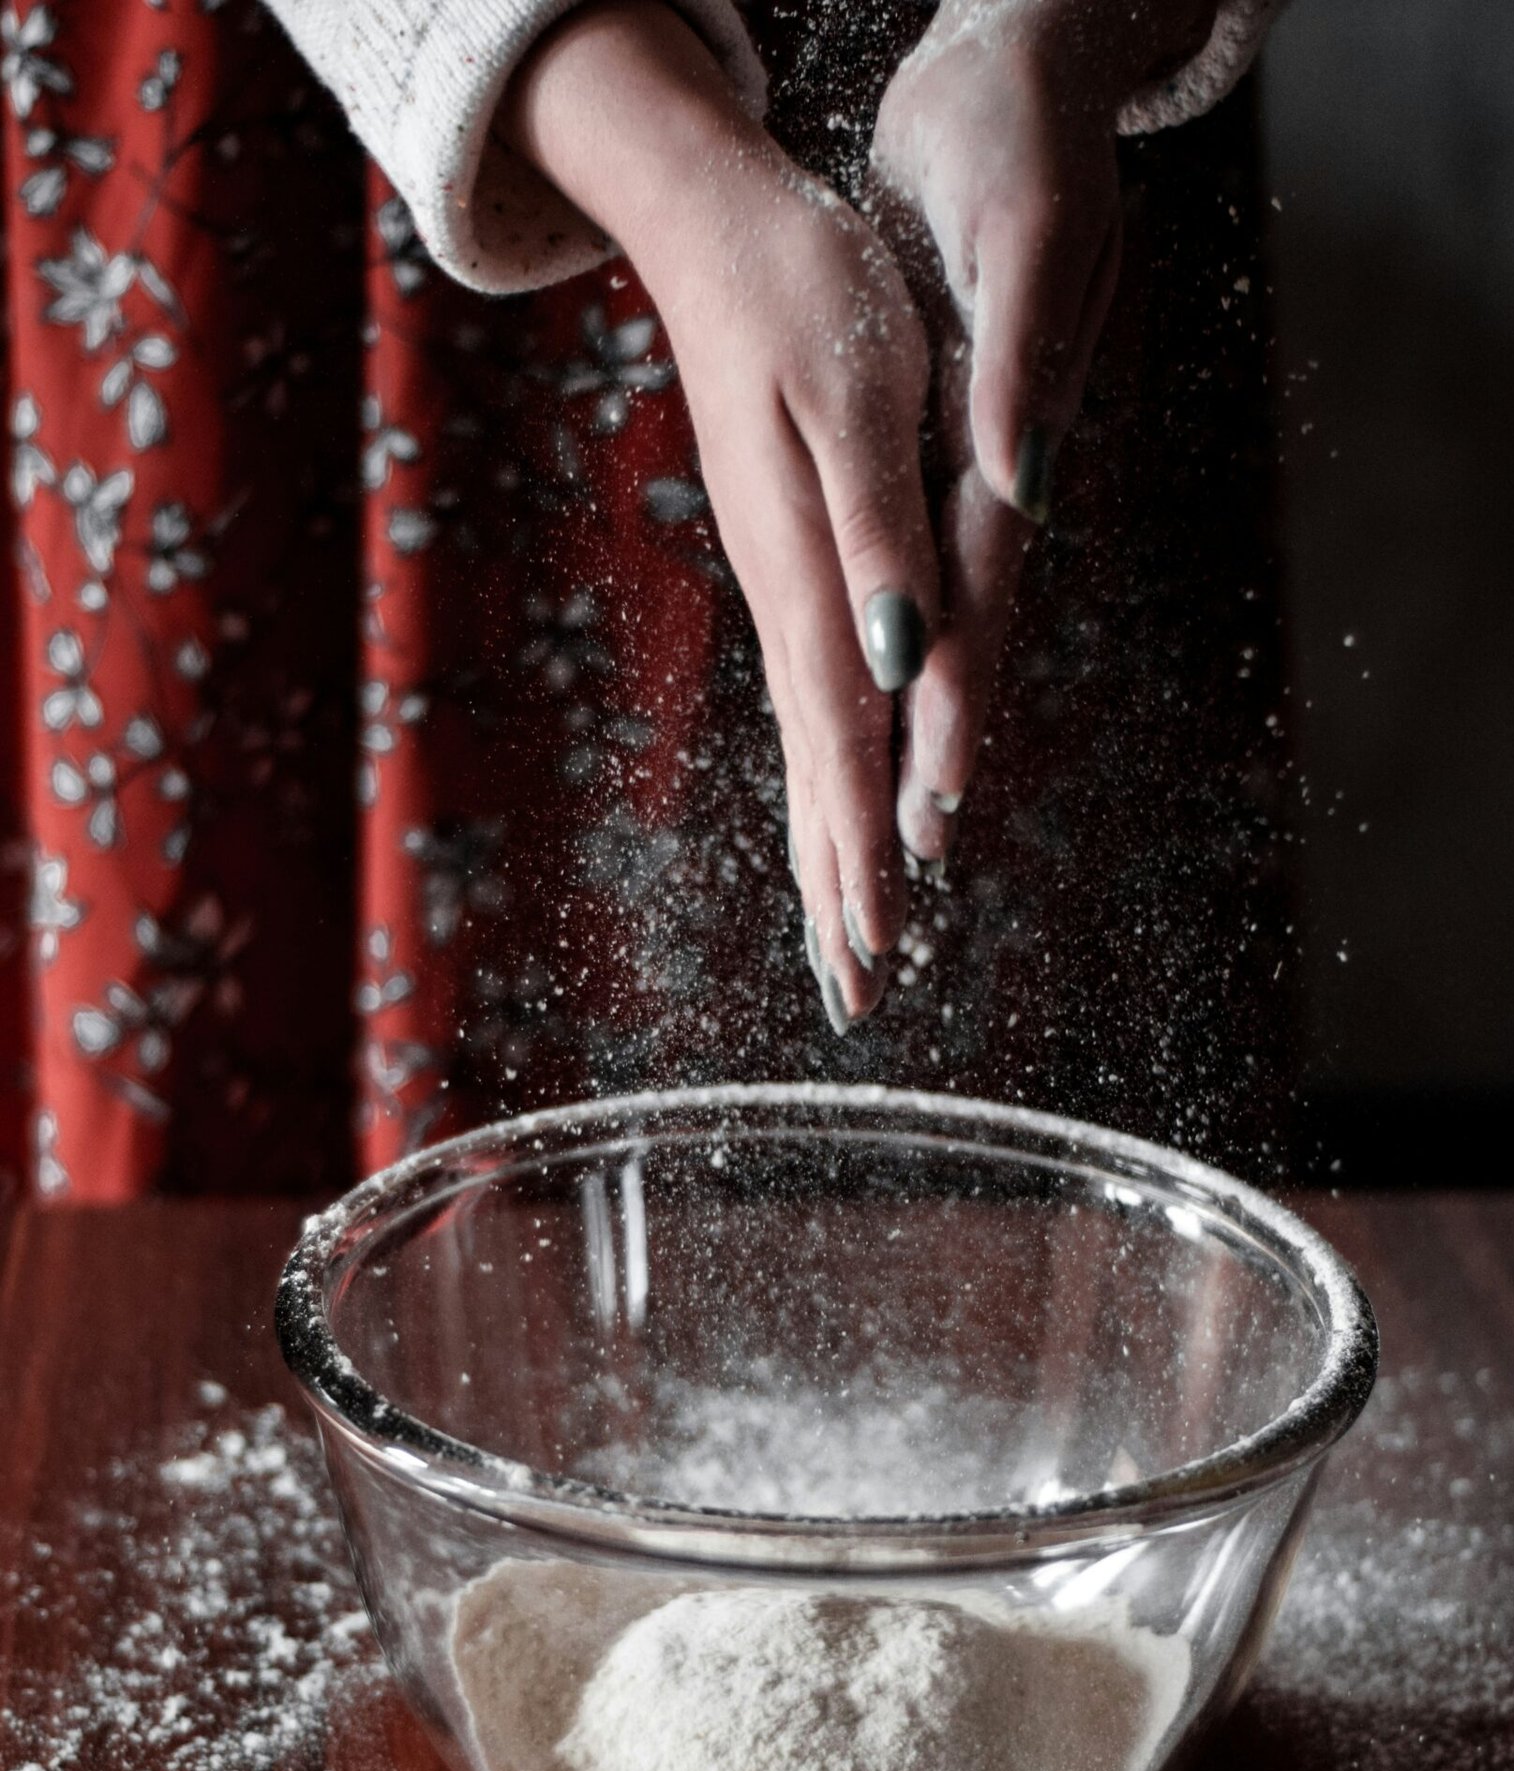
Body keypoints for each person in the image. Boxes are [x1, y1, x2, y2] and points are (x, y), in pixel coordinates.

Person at [0, 1, 1289, 1198]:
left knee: (1030, 1156)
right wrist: (659, 164)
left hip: (1032, 155)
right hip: (333, 170)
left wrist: (1054, 29)